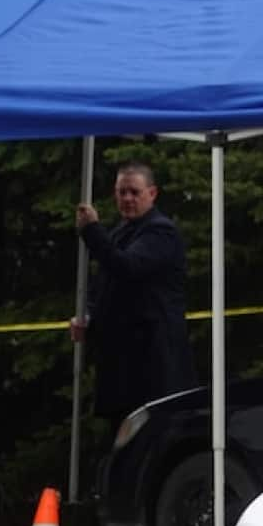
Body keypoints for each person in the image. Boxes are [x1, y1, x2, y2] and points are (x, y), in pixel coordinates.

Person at [70, 161, 197, 436]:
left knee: (150, 443)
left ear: (152, 194)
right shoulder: (120, 233)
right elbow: (105, 288)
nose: (127, 198)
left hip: (152, 368)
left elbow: (128, 267)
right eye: (122, 192)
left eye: (134, 192)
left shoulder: (160, 232)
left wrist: (91, 231)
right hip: (123, 369)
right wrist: (88, 318)